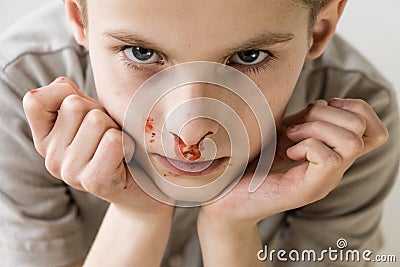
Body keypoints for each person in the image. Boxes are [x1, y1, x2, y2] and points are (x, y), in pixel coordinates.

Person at [0, 0, 398, 266]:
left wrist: (231, 227)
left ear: (321, 29)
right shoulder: (18, 89)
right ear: (78, 16)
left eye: (248, 57)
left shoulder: (350, 129)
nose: (189, 129)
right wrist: (138, 215)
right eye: (142, 54)